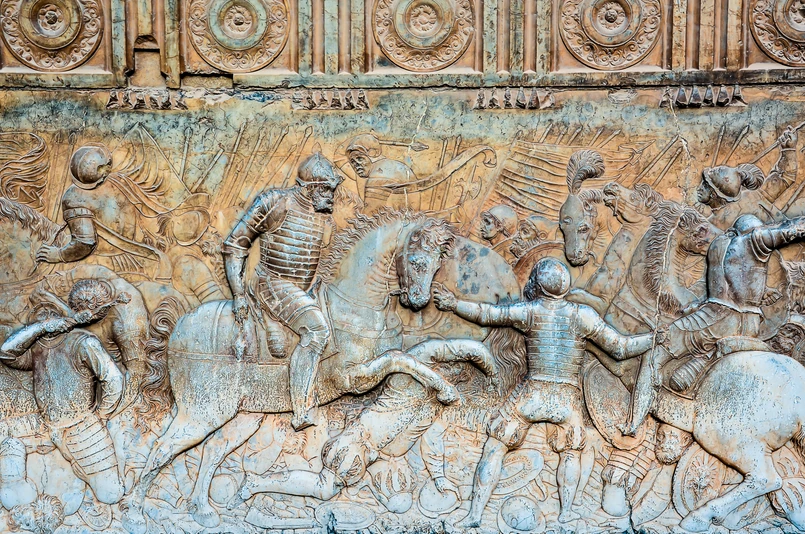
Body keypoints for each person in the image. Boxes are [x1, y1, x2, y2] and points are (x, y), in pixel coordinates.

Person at [432, 257, 655, 525]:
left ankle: (474, 515)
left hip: (532, 393)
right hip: (566, 399)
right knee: (571, 453)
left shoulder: (530, 311)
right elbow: (620, 348)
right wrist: (652, 339)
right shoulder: (583, 315)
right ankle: (566, 512)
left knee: (495, 447)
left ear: (538, 284)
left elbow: (486, 314)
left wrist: (453, 304)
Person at [620, 214, 805, 436]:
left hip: (718, 318)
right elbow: (790, 228)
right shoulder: (754, 241)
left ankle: (634, 423)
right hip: (737, 322)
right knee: (658, 353)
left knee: (654, 356)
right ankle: (698, 363)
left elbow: (725, 286)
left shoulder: (719, 244)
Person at [222, 152, 342, 431]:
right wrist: (238, 294)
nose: (331, 196)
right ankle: (301, 410)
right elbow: (235, 244)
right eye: (326, 189)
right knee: (317, 330)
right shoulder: (274, 202)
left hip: (305, 290)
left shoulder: (324, 216)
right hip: (272, 285)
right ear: (310, 188)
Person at [0, 296, 125, 505]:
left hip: (83, 432)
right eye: (40, 317)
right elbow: (6, 353)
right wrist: (41, 328)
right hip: (47, 430)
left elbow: (113, 379)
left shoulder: (83, 342)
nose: (47, 318)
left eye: (51, 314)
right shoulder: (37, 350)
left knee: (110, 494)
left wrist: (102, 414)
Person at [35, 144, 170, 282]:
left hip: (102, 266)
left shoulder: (74, 197)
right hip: (134, 259)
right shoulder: (119, 180)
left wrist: (59, 254)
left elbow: (85, 243)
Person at [697, 127, 798, 230]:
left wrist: (788, 149)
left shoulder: (752, 198)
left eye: (705, 185)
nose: (698, 188)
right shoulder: (707, 227)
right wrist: (788, 150)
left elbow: (784, 177)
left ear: (714, 194)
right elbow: (785, 176)